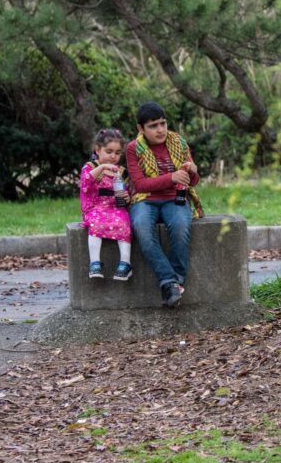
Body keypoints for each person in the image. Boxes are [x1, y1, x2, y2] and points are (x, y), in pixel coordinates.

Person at [125, 102, 203, 309]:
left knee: (179, 228)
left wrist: (192, 171)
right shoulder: (134, 148)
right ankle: (169, 282)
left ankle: (175, 283)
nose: (160, 129)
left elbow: (192, 181)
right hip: (145, 199)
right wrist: (171, 177)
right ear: (141, 129)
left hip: (175, 198)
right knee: (142, 228)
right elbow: (139, 184)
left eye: (162, 123)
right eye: (153, 126)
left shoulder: (179, 142)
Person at [79, 128, 133, 281]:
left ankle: (125, 263)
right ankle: (95, 263)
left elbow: (127, 192)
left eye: (117, 153)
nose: (113, 156)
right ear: (98, 150)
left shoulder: (121, 172)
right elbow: (85, 183)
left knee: (124, 224)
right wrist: (101, 168)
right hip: (96, 207)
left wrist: (126, 197)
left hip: (115, 207)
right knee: (96, 224)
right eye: (109, 151)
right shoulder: (90, 167)